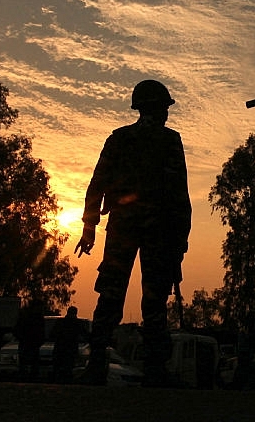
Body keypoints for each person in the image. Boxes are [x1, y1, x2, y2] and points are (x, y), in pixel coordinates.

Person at [75, 79, 192, 386]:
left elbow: (97, 183)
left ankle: (98, 362)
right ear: (157, 108)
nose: (166, 114)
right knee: (152, 300)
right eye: (164, 108)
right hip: (158, 232)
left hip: (125, 228)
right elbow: (180, 196)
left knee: (112, 294)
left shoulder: (119, 139)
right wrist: (179, 243)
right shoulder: (169, 141)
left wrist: (89, 226)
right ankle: (153, 368)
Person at [13, 299, 46, 381]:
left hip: (31, 344)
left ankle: (29, 377)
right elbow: (17, 330)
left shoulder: (36, 318)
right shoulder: (29, 318)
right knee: (27, 363)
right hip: (28, 344)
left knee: (30, 363)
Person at [52, 306, 84, 384]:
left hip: (61, 349)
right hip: (68, 350)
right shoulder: (76, 323)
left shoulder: (61, 322)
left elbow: (53, 334)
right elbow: (84, 334)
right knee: (67, 369)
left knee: (61, 369)